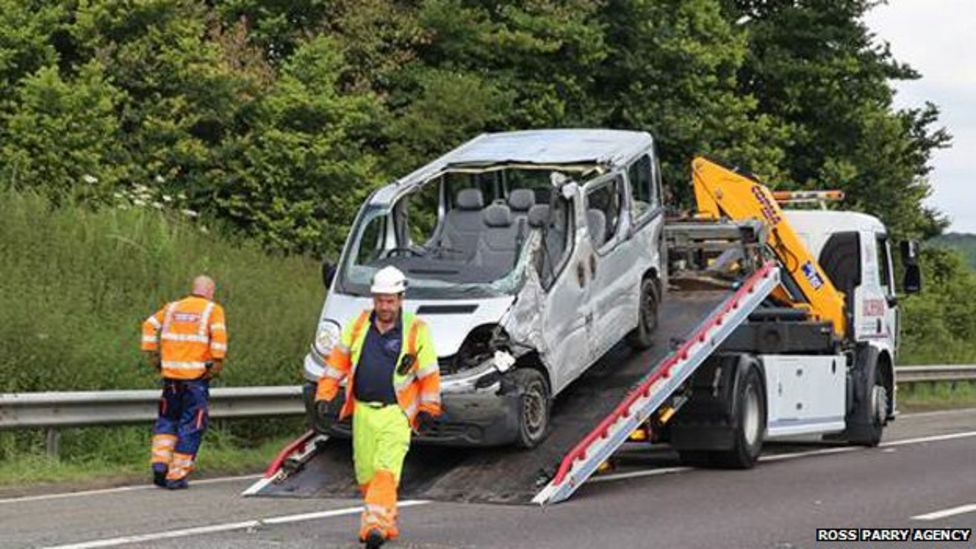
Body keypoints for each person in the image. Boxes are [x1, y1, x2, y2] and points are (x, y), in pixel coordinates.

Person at [315, 266, 441, 548]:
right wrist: (324, 395)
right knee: (366, 475)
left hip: (396, 413)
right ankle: (386, 519)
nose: (385, 306)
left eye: (390, 300)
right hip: (362, 412)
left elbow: (429, 374)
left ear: (401, 298)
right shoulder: (358, 325)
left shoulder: (416, 330)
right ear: (374, 299)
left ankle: (374, 527)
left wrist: (429, 409)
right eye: (380, 300)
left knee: (386, 470)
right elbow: (338, 362)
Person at [141, 275, 227, 489]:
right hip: (195, 380)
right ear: (210, 291)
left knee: (167, 421)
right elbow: (219, 340)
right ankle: (176, 475)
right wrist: (216, 365)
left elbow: (149, 325)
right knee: (191, 424)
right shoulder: (212, 309)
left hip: (170, 378)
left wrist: (153, 355)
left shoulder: (172, 308)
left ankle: (160, 466)